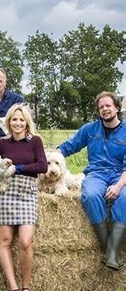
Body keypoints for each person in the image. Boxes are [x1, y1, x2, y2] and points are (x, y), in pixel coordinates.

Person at [58, 91, 126, 270]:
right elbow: (68, 146)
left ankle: (110, 252)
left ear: (117, 108)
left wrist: (118, 186)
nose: (104, 109)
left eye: (108, 106)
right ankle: (111, 252)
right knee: (90, 195)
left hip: (121, 174)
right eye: (101, 107)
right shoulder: (89, 129)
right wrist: (48, 156)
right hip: (96, 173)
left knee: (124, 197)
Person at [0, 103, 47, 291]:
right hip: (6, 193)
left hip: (27, 193)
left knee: (25, 241)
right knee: (5, 241)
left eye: (21, 120)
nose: (18, 123)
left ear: (27, 122)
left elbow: (42, 166)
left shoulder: (35, 141)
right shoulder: (2, 144)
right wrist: (1, 168)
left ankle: (26, 287)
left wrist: (18, 168)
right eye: (14, 119)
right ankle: (13, 289)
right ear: (8, 122)